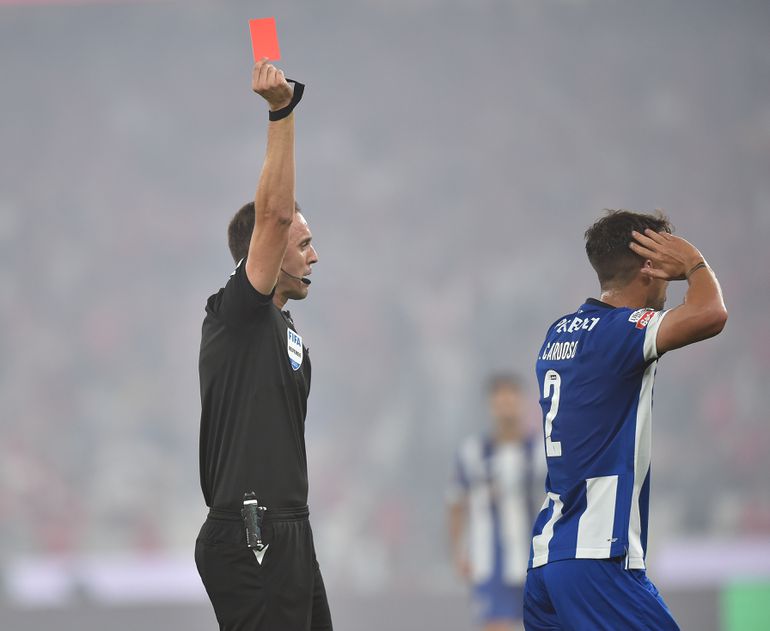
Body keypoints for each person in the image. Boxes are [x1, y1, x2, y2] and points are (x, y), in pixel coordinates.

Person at [523, 210, 728, 630]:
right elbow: (711, 313)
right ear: (650, 268)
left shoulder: (558, 332)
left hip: (547, 559)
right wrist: (693, 262)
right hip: (596, 557)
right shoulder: (620, 331)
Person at [194, 59, 332, 631]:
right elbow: (274, 215)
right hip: (252, 531)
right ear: (269, 251)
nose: (315, 256)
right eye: (302, 244)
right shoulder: (239, 314)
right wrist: (282, 111)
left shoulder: (286, 329)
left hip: (287, 528)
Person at [448, 374, 542, 631]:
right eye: (500, 402)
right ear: (491, 406)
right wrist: (458, 552)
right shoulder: (472, 451)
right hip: (489, 561)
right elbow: (456, 503)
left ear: (522, 403)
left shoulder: (541, 451)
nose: (506, 409)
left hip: (535, 557)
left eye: (511, 401)